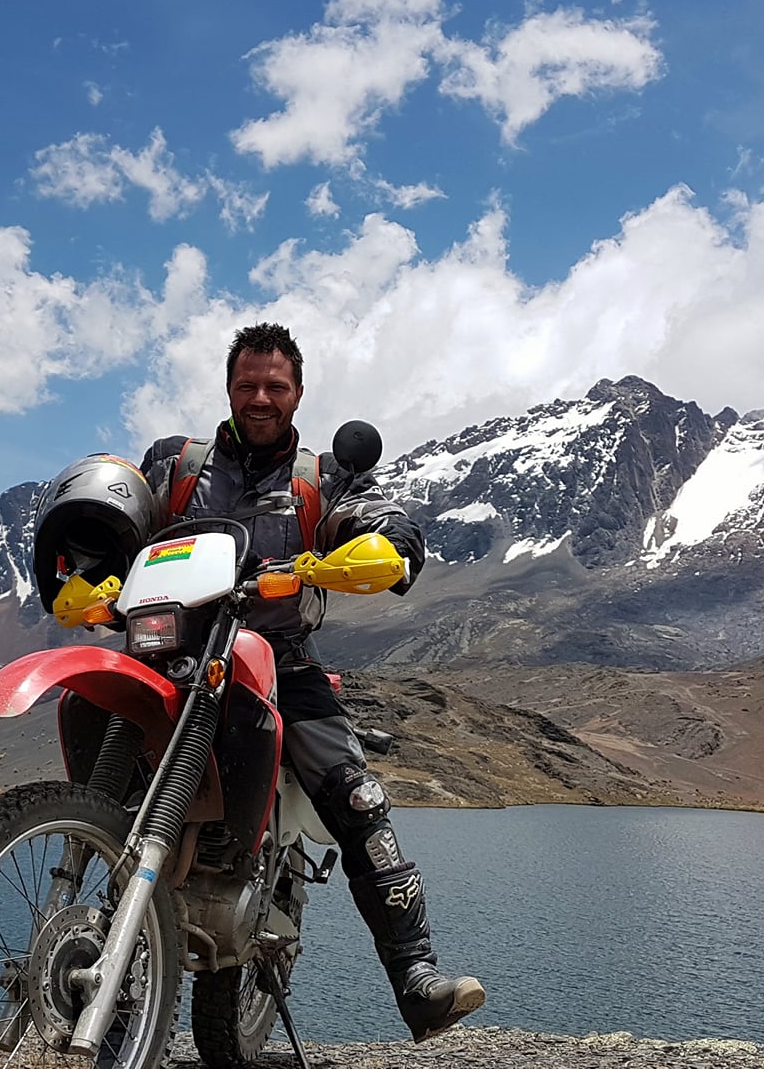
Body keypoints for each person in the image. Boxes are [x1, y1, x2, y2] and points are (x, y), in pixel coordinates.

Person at [137, 322, 484, 1042]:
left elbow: (371, 510)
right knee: (109, 771)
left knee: (356, 795)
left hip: (279, 661)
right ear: (228, 389)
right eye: (247, 385)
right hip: (173, 654)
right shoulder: (176, 467)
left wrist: (385, 543)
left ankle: (416, 978)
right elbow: (123, 520)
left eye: (276, 386)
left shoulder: (321, 478)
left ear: (297, 393)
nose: (260, 398)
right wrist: (86, 559)